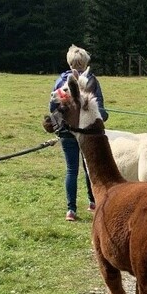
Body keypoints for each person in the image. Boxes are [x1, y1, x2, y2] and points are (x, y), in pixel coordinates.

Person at [49, 45, 108, 221]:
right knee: (90, 167)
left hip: (67, 132)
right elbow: (100, 108)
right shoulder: (91, 81)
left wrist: (59, 127)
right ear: (85, 62)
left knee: (71, 169)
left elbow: (53, 108)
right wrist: (102, 116)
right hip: (85, 132)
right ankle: (93, 202)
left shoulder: (61, 82)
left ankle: (71, 210)